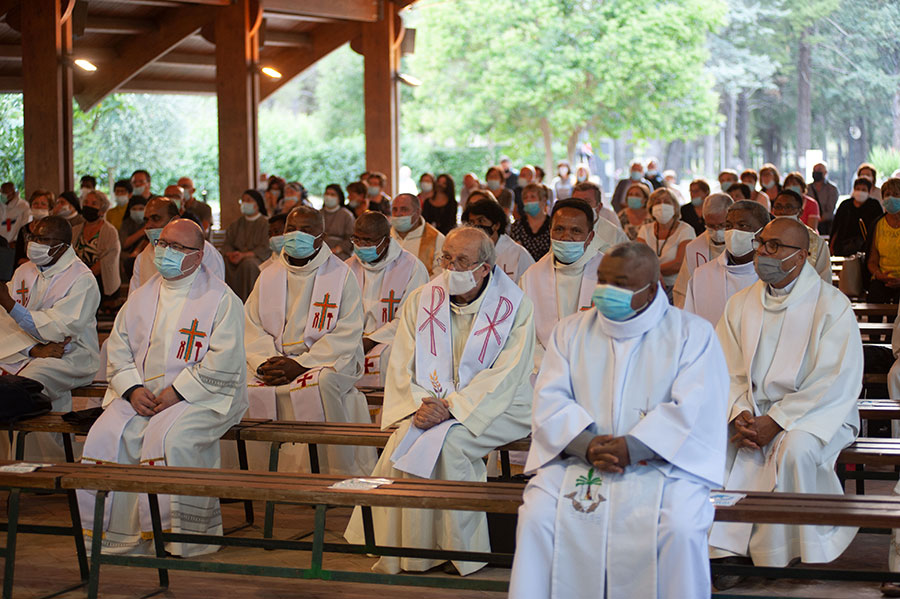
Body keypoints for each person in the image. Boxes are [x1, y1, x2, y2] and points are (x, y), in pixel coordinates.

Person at [512, 241, 729, 599]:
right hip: (581, 462)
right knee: (538, 516)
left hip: (664, 466)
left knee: (680, 528)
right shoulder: (571, 331)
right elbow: (549, 398)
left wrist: (634, 447)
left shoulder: (691, 334)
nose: (607, 291)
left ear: (652, 287)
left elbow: (697, 408)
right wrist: (587, 444)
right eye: (603, 280)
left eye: (622, 283)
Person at [344, 226, 535, 576]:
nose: (451, 267)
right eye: (447, 257)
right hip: (430, 404)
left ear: (485, 267)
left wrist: (452, 407)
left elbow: (507, 373)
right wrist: (420, 403)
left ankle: (462, 552)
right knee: (404, 439)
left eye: (462, 260)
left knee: (451, 444)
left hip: (502, 404)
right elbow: (403, 362)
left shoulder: (514, 306)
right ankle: (409, 549)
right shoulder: (422, 298)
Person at [77, 218, 247, 557]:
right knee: (106, 436)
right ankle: (120, 535)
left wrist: (176, 393)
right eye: (163, 243)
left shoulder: (220, 300)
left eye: (177, 247)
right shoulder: (141, 296)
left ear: (197, 257)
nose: (165, 251)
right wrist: (131, 390)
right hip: (144, 396)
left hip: (204, 396)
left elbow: (223, 360)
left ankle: (182, 537)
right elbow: (119, 348)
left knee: (173, 440)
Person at [709, 217, 861, 583]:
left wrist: (776, 420)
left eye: (774, 247)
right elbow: (725, 368)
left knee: (792, 448)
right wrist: (738, 412)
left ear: (802, 256)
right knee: (717, 442)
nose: (763, 253)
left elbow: (834, 380)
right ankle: (724, 547)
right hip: (751, 410)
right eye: (762, 244)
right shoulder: (740, 303)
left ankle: (779, 550)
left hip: (818, 412)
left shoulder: (831, 305)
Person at [244, 206, 375, 475]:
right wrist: (264, 362)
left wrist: (302, 365)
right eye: (291, 229)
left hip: (322, 361)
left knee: (323, 382)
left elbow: (347, 332)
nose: (296, 236)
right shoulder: (268, 274)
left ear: (321, 236)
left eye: (305, 230)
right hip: (274, 359)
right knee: (239, 381)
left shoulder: (340, 276)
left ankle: (332, 470)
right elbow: (250, 326)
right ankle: (258, 474)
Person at [0, 216, 100, 459]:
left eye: (43, 239)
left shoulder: (81, 279)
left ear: (62, 245)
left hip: (72, 356)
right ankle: (12, 460)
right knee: (12, 387)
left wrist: (10, 303)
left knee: (24, 386)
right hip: (26, 352)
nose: (34, 243)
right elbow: (4, 320)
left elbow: (60, 328)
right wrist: (33, 349)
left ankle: (35, 464)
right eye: (33, 237)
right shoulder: (24, 271)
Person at [346, 211, 429, 387]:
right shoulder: (347, 267)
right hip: (352, 340)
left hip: (391, 340)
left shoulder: (412, 268)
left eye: (368, 241)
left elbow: (410, 318)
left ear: (386, 239)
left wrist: (370, 341)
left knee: (386, 358)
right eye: (356, 239)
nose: (361, 246)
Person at [519, 198, 600, 377]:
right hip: (544, 370)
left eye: (576, 231)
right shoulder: (531, 277)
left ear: (590, 237)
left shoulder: (608, 273)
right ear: (550, 230)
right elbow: (525, 335)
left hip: (595, 369)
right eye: (559, 229)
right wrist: (551, 366)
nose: (566, 237)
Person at [684, 200, 768, 325]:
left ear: (762, 231)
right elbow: (690, 323)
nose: (733, 232)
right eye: (728, 226)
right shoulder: (702, 275)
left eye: (742, 225)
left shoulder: (773, 276)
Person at [130, 197, 224, 295]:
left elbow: (215, 291)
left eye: (156, 219)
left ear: (174, 220)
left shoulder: (205, 251)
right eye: (146, 220)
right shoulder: (142, 258)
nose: (149, 225)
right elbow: (134, 297)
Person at [671, 193, 732, 308]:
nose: (716, 230)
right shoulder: (694, 248)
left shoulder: (741, 244)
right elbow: (683, 290)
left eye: (721, 225)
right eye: (711, 226)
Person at [636, 188, 695, 298]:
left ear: (675, 207)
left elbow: (679, 264)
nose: (662, 206)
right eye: (657, 202)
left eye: (667, 202)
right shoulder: (645, 229)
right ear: (651, 207)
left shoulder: (686, 230)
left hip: (678, 288)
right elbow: (641, 261)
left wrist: (653, 270)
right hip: (651, 286)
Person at [462, 193, 534, 283]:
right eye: (472, 222)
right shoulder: (467, 251)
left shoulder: (518, 255)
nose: (476, 226)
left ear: (496, 225)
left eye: (481, 221)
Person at [71, 190, 121, 304]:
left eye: (93, 204)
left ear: (102, 210)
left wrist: (85, 276)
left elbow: (108, 259)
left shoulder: (109, 231)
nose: (88, 206)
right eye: (86, 202)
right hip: (77, 277)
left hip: (101, 278)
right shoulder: (75, 230)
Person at [770, 190, 831, 282]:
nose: (782, 211)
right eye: (778, 207)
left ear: (800, 212)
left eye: (788, 207)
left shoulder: (817, 242)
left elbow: (824, 277)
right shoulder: (764, 236)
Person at [222, 190, 270, 301]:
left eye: (248, 200)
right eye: (243, 200)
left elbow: (265, 247)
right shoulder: (236, 224)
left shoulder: (266, 223)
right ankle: (228, 301)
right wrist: (231, 254)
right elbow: (227, 243)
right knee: (224, 262)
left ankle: (250, 301)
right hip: (236, 258)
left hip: (256, 258)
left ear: (257, 203)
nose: (245, 203)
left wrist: (243, 255)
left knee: (248, 264)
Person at [390, 193, 445, 278]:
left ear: (418, 212)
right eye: (394, 209)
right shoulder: (384, 235)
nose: (398, 214)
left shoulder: (436, 239)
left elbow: (439, 274)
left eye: (404, 209)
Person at [829, 177, 883, 257]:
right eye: (858, 189)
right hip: (843, 247)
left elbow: (878, 227)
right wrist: (831, 246)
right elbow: (836, 227)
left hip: (866, 248)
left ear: (869, 191)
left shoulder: (874, 205)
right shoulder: (845, 205)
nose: (860, 192)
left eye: (863, 189)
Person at [866, 178, 900, 303]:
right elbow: (872, 261)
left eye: (896, 195)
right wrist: (879, 275)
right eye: (887, 195)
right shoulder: (877, 224)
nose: (891, 198)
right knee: (875, 295)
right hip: (882, 279)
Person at [571, 181, 628, 252]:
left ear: (599, 207)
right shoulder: (563, 232)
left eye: (587, 202)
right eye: (576, 201)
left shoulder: (616, 235)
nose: (581, 206)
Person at [510, 183, 552, 262]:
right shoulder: (517, 226)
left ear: (543, 200)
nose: (528, 200)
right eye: (525, 198)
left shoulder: (553, 225)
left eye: (532, 197)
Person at [14, 189, 53, 265]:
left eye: (43, 204)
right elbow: (18, 259)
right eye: (35, 203)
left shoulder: (54, 229)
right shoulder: (24, 230)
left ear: (50, 208)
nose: (39, 206)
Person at [119, 195, 150, 282]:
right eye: (134, 209)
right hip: (128, 256)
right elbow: (123, 244)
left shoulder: (151, 222)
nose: (137, 211)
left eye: (141, 209)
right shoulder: (126, 223)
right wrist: (142, 231)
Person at [321, 184, 355, 260]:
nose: (329, 197)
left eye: (332, 194)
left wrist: (337, 249)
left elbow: (351, 238)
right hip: (320, 250)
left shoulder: (347, 215)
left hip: (340, 253)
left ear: (339, 198)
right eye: (327, 194)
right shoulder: (318, 214)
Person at [808, 163, 839, 235]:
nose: (816, 172)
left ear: (825, 173)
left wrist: (817, 219)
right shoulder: (807, 188)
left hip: (826, 225)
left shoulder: (832, 189)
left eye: (818, 170)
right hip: (810, 225)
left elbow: (830, 210)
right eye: (814, 170)